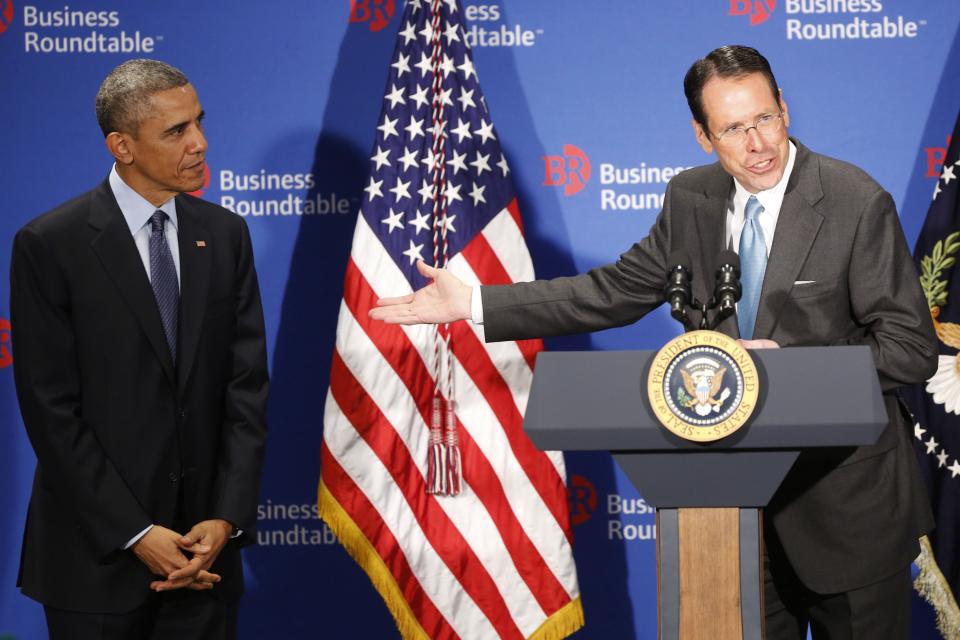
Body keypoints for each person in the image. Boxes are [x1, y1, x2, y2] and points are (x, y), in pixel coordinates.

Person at [370, 45, 937, 638]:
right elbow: (612, 290)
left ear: (785, 110)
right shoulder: (691, 198)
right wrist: (476, 303)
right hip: (730, 513)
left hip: (845, 507)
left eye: (765, 118)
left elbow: (909, 348)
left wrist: (790, 370)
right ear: (702, 136)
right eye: (734, 128)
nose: (758, 144)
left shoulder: (854, 199)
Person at [10, 59, 269, 639]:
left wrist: (224, 517)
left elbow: (245, 389)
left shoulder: (225, 235)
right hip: (96, 563)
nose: (199, 143)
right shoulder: (50, 244)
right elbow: (51, 411)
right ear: (122, 146)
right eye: (176, 131)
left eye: (198, 122)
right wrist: (135, 532)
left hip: (204, 561)